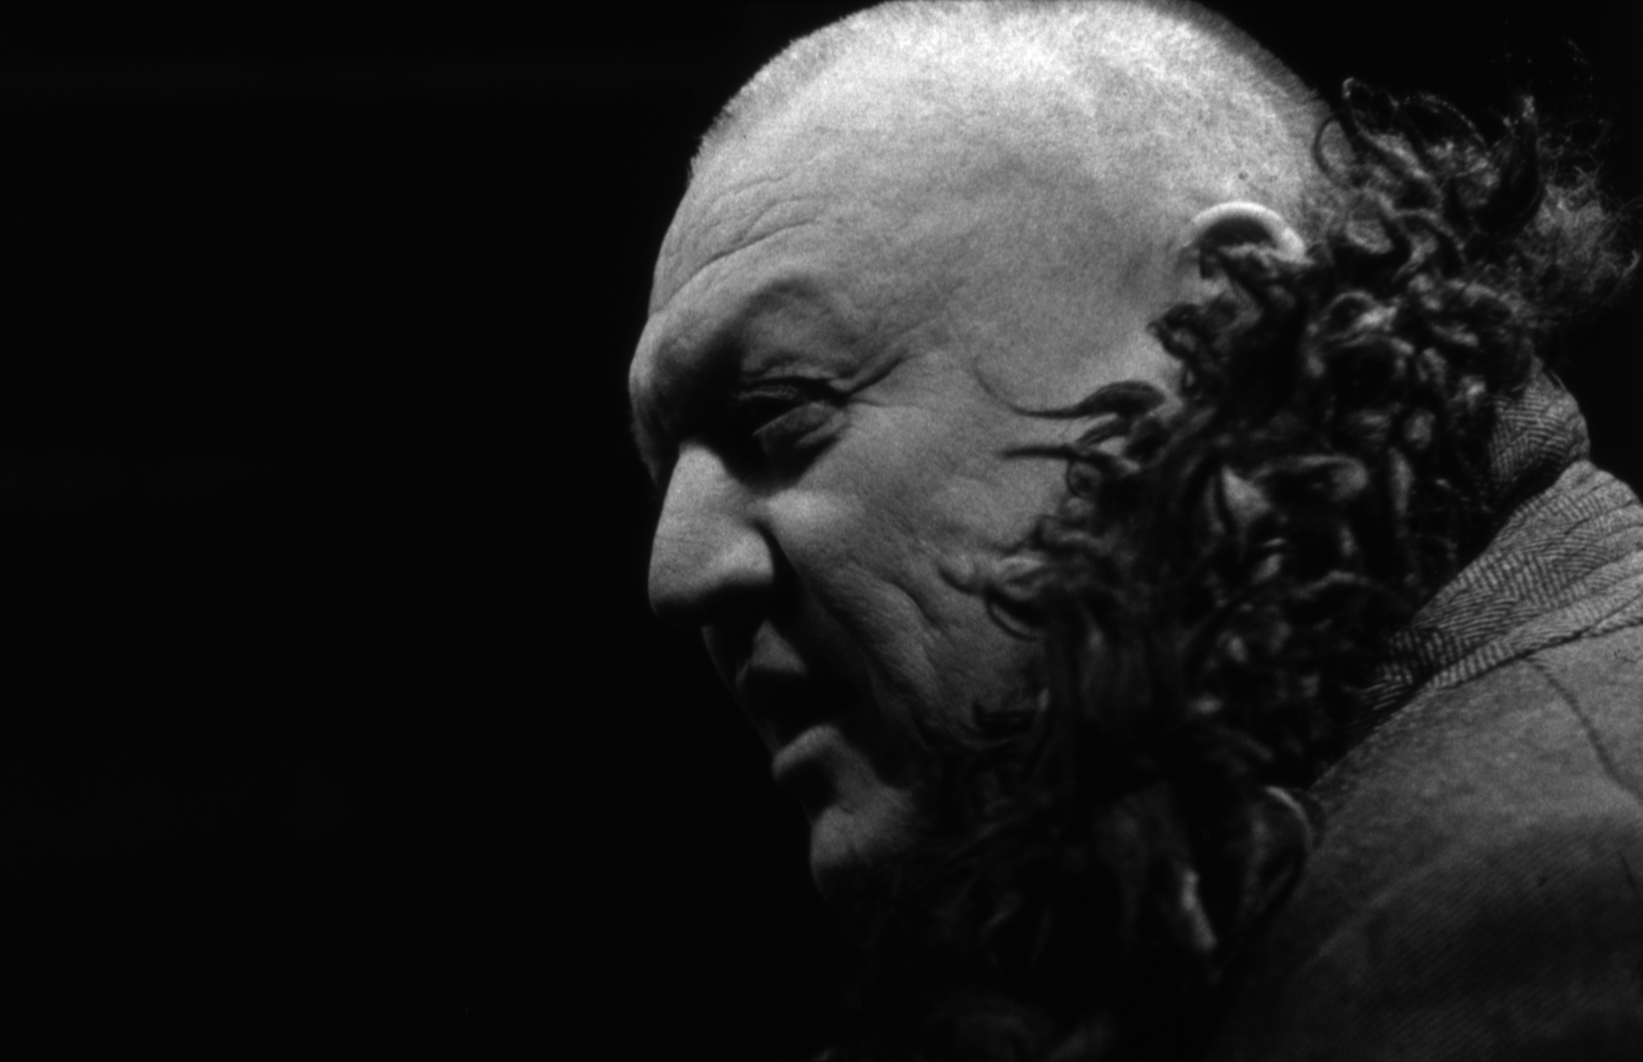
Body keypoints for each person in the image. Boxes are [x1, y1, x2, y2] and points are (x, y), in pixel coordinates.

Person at [627, 1, 1643, 1058]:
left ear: (1233, 313)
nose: (677, 571)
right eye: (661, 475)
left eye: (779, 413)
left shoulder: (1543, 916)